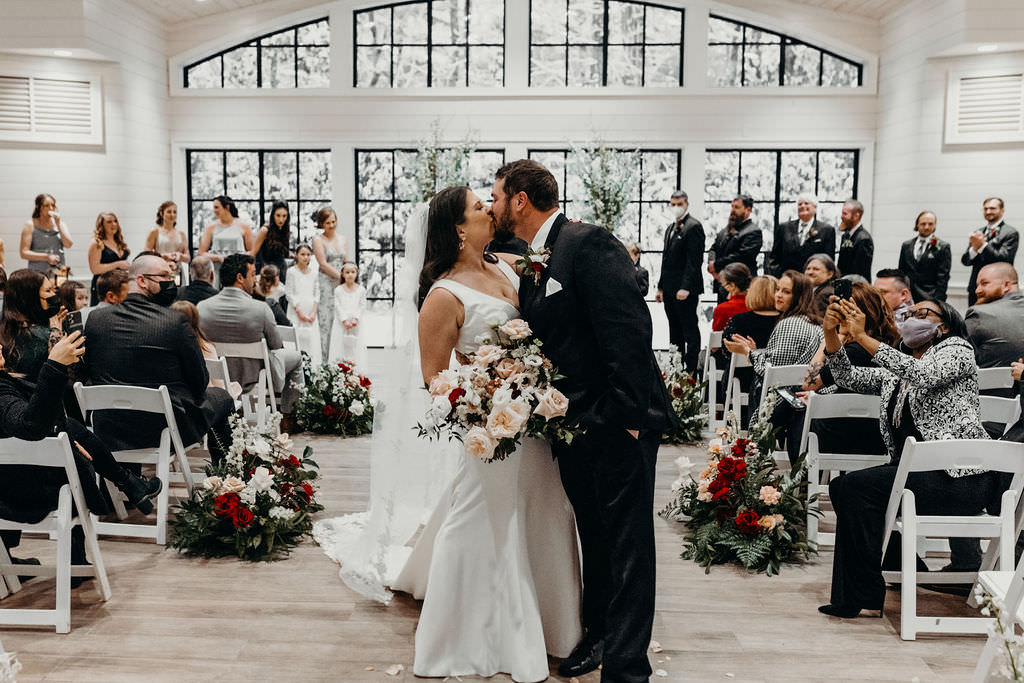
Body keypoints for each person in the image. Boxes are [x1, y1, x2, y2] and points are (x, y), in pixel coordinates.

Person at [370, 185, 583, 683]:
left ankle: (556, 624)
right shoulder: (444, 296)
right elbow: (433, 378)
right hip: (492, 429)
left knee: (544, 510)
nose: (490, 208)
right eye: (478, 206)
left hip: (535, 423)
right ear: (459, 228)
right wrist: (487, 396)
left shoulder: (507, 269)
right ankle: (464, 632)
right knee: (483, 518)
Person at [492, 159, 675, 682]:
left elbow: (630, 330)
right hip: (572, 424)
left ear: (520, 200)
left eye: (497, 196)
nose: (493, 206)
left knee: (628, 547)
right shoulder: (535, 256)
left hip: (616, 421)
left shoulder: (588, 243)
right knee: (594, 537)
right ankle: (597, 634)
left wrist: (627, 418)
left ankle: (626, 668)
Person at [817, 296, 998, 619]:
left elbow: (923, 375)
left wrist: (861, 336)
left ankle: (863, 593)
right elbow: (847, 377)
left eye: (922, 313)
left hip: (961, 478)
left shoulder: (957, 351)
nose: (913, 318)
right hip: (919, 476)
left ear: (943, 324)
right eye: (909, 314)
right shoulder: (899, 364)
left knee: (855, 487)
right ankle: (870, 586)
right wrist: (832, 333)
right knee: (844, 487)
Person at [0, 331, 161, 576]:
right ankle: (76, 559)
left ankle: (127, 481)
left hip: (11, 479)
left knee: (70, 431)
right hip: (18, 492)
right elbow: (29, 425)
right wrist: (54, 365)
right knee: (72, 467)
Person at [82, 254, 234, 462]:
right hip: (164, 428)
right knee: (224, 397)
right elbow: (199, 383)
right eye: (164, 276)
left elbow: (89, 372)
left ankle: (132, 475)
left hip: (109, 427)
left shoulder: (96, 319)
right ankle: (224, 479)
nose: (170, 283)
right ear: (142, 280)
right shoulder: (174, 322)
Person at [723, 269, 822, 458]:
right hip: (802, 396)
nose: (778, 295)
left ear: (799, 296)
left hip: (784, 400)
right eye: (778, 289)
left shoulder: (789, 324)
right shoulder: (813, 322)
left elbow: (774, 373)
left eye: (786, 291)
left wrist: (748, 353)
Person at [198, 254, 303, 415]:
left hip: (217, 377)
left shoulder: (202, 308)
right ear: (240, 277)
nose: (255, 280)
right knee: (296, 358)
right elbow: (276, 345)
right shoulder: (260, 309)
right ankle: (290, 416)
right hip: (254, 376)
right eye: (253, 274)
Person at [802, 282, 896, 457]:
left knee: (796, 412)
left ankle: (803, 479)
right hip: (878, 435)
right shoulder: (885, 345)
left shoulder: (854, 351)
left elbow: (809, 383)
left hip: (847, 435)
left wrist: (828, 339)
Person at [656, 190, 704, 374]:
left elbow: (694, 261)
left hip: (686, 290)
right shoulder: (670, 228)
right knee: (674, 329)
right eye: (673, 203)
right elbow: (665, 259)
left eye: (679, 203)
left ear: (687, 204)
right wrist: (660, 287)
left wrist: (685, 287)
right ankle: (676, 368)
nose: (676, 207)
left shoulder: (694, 226)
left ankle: (691, 370)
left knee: (689, 329)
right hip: (669, 288)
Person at [0, 269, 63, 382]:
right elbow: (66, 377)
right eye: (48, 290)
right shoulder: (49, 336)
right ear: (30, 297)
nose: (53, 295)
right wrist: (57, 334)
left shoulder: (4, 330)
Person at [171, 300, 242, 400]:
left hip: (177, 397)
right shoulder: (207, 348)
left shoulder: (168, 349)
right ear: (196, 320)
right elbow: (219, 385)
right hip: (204, 399)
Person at [967, 262, 1024, 371]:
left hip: (990, 386)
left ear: (1006, 285)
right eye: (977, 285)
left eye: (984, 283)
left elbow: (956, 359)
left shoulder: (978, 314)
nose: (977, 290)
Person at [962, 197, 1018, 306]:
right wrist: (974, 249)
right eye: (985, 209)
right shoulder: (978, 232)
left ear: (1002, 210)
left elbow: (1004, 259)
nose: (988, 212)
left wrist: (982, 246)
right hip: (976, 288)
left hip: (998, 289)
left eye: (992, 208)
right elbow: (965, 261)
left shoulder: (1010, 233)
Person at [708, 194, 762, 302]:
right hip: (722, 282)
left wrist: (716, 265)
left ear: (748, 209)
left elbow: (742, 257)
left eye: (736, 207)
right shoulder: (726, 229)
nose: (733, 210)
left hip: (740, 285)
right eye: (732, 206)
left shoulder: (753, 231)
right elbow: (713, 248)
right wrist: (711, 264)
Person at [767, 195, 837, 277]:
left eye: (806, 203)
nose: (803, 206)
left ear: (815, 207)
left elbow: (828, 260)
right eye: (800, 204)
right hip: (787, 278)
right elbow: (774, 257)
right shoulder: (784, 228)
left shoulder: (827, 230)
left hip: (812, 279)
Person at [312, 207, 346, 361]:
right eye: (328, 223)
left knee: (341, 318)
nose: (331, 225)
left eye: (333, 221)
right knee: (326, 321)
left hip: (342, 284)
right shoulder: (318, 240)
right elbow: (323, 264)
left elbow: (346, 261)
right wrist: (341, 277)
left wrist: (349, 278)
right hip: (326, 283)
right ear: (321, 224)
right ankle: (325, 360)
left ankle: (340, 359)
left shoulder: (343, 239)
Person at [197, 195, 254, 287]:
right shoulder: (210, 227)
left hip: (239, 270)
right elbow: (201, 253)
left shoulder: (244, 226)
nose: (214, 210)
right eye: (214, 207)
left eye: (217, 207)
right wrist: (219, 257)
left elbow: (251, 252)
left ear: (227, 207)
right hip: (218, 269)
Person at [898, 210, 950, 302]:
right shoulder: (906, 245)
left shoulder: (943, 247)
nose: (926, 227)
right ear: (917, 225)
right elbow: (902, 272)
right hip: (908, 297)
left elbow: (943, 278)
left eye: (930, 224)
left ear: (935, 226)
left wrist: (937, 301)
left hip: (930, 297)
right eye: (923, 224)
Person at [284, 243, 321, 366]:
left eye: (308, 254)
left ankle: (312, 367)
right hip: (296, 310)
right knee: (297, 337)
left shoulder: (314, 273)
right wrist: (299, 311)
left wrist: (313, 312)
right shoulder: (291, 272)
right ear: (296, 255)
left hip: (310, 309)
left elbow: (317, 293)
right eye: (302, 254)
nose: (305, 257)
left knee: (311, 340)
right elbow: (289, 293)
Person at [21, 194, 72, 275]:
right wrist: (46, 257)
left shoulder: (60, 224)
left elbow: (68, 244)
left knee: (61, 287)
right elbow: (24, 253)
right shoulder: (30, 225)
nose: (51, 208)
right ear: (39, 207)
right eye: (47, 206)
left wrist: (58, 224)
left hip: (59, 270)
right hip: (38, 272)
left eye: (53, 205)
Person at [87, 212, 130, 306]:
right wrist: (118, 264)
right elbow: (94, 268)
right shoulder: (97, 243)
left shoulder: (119, 241)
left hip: (120, 286)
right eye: (109, 222)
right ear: (101, 225)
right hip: (104, 285)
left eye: (115, 221)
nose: (113, 224)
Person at [329, 262, 367, 369]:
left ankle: (355, 370)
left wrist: (356, 318)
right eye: (347, 272)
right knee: (340, 346)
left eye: (353, 272)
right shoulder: (338, 290)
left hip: (356, 323)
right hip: (341, 323)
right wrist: (344, 320)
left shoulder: (361, 290)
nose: (350, 274)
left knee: (354, 347)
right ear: (342, 274)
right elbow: (337, 305)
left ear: (357, 273)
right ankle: (340, 370)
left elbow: (362, 305)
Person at [144, 201, 189, 277]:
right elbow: (146, 254)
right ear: (161, 213)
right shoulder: (155, 231)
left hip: (177, 272)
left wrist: (180, 256)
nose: (172, 215)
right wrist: (162, 256)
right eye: (169, 212)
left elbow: (188, 257)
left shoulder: (181, 234)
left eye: (174, 212)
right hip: (159, 271)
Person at [252, 201, 291, 283]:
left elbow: (281, 252)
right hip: (266, 271)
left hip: (280, 270)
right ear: (273, 215)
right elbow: (253, 253)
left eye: (284, 216)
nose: (281, 219)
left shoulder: (284, 229)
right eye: (278, 215)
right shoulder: (265, 230)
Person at [837, 199, 873, 281]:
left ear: (856, 216)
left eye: (845, 214)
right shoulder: (845, 236)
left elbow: (860, 271)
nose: (841, 216)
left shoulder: (864, 239)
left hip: (857, 285)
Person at [712, 262, 750, 331]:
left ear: (732, 285)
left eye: (724, 286)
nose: (723, 289)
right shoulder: (758, 306)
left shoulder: (722, 309)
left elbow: (716, 336)